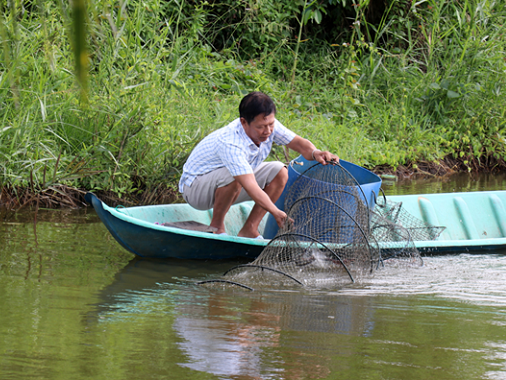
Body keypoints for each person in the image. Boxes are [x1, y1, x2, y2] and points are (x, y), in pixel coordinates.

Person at [178, 92, 339, 239]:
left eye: (270, 124)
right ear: (243, 122)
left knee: (279, 171)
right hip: (195, 189)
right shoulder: (230, 142)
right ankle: (216, 227)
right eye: (261, 127)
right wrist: (275, 212)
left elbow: (299, 144)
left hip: (228, 181)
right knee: (236, 176)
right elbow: (250, 185)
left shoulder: (269, 125)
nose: (267, 131)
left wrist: (316, 153)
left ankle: (249, 229)